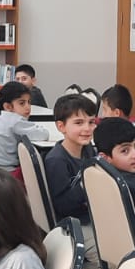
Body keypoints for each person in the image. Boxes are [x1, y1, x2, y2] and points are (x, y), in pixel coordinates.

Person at [44, 92, 98, 224]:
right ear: (61, 126)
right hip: (76, 224)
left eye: (91, 122)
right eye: (79, 123)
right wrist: (88, 182)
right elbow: (63, 206)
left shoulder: (88, 149)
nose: (87, 128)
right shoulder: (56, 160)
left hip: (94, 214)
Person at [0, 81, 36, 167]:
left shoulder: (0, 118)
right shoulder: (15, 121)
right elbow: (43, 134)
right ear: (8, 107)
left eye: (29, 102)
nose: (28, 107)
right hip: (4, 172)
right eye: (22, 103)